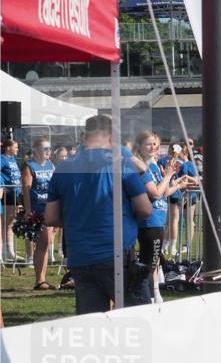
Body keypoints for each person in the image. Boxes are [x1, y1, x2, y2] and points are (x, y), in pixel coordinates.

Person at [44, 115, 153, 314]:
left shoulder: (62, 168)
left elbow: (50, 217)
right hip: (116, 254)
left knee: (92, 325)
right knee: (138, 317)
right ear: (111, 135)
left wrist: (78, 221)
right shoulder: (120, 164)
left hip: (80, 256)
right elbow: (145, 208)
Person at [134, 132, 185, 303]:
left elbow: (164, 192)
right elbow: (155, 194)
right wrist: (168, 176)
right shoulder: (143, 167)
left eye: (155, 144)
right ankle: (147, 296)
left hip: (158, 219)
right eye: (149, 144)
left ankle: (154, 293)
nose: (154, 147)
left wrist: (177, 184)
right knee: (150, 262)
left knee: (154, 261)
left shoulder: (155, 165)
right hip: (150, 221)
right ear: (140, 147)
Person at [21, 138, 56, 289]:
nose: (48, 151)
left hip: (49, 207)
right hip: (37, 209)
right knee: (43, 242)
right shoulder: (29, 166)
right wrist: (28, 210)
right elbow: (26, 190)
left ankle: (42, 279)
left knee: (46, 243)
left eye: (49, 148)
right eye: (45, 148)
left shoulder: (50, 165)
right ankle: (40, 280)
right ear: (36, 150)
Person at [1, 138, 22, 262]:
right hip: (7, 196)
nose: (17, 149)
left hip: (16, 194)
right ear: (8, 148)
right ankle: (4, 251)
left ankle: (10, 251)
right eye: (16, 147)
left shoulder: (13, 160)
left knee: (11, 223)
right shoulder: (2, 159)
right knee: (5, 223)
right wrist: (2, 186)